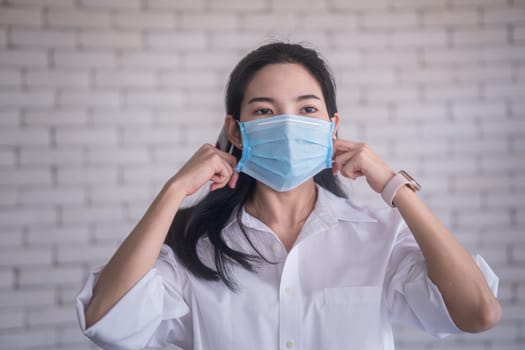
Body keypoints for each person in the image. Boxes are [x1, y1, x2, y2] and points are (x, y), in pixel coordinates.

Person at [76, 42, 501, 350]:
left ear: (332, 127)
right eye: (264, 110)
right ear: (235, 131)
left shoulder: (378, 236)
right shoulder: (193, 243)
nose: (287, 124)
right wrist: (173, 192)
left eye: (307, 109)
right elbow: (107, 322)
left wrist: (393, 186)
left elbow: (478, 313)